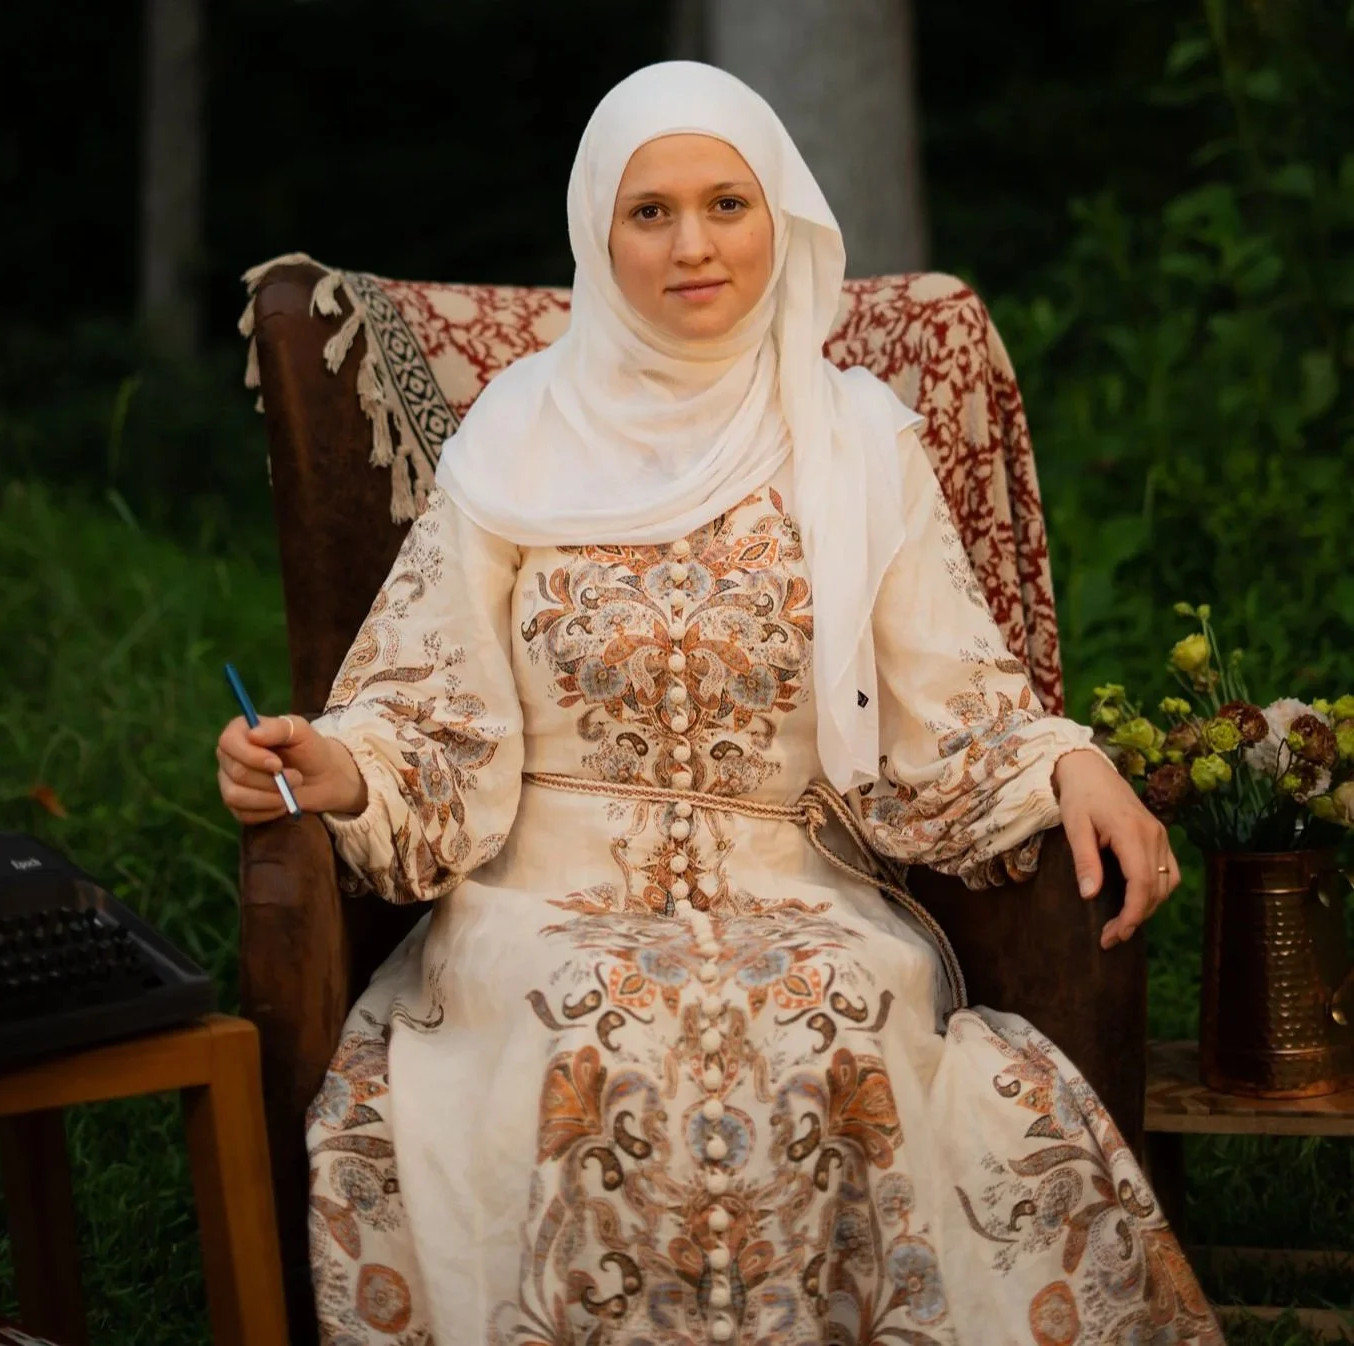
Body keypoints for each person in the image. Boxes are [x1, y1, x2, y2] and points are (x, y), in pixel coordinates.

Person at [216, 61, 1218, 1346]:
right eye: (651, 212)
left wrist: (1069, 761)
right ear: (600, 232)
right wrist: (331, 763)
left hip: (798, 879)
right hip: (539, 893)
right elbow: (425, 704)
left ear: (779, 216)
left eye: (726, 203)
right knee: (599, 1044)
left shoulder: (861, 438)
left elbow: (954, 693)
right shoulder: (514, 437)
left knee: (835, 1029)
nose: (693, 245)